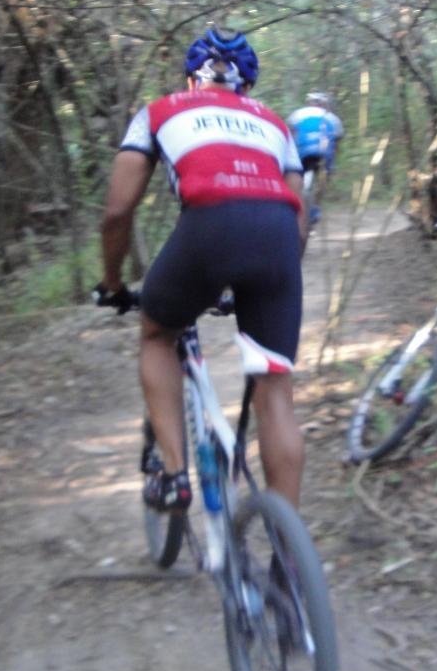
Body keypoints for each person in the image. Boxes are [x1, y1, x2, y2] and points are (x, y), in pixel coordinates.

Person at [94, 27, 310, 513]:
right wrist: (262, 280)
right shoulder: (276, 125)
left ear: (192, 81)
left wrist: (112, 283)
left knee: (157, 334)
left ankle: (174, 476)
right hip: (276, 239)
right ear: (247, 87)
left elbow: (116, 211)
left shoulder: (160, 110)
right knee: (275, 389)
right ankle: (289, 564)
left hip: (208, 226)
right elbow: (299, 220)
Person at [286, 91, 344, 224]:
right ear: (324, 104)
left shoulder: (296, 114)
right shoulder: (332, 118)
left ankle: (293, 206)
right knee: (323, 178)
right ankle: (316, 208)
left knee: (294, 178)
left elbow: (289, 136)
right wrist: (332, 164)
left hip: (301, 153)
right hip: (323, 154)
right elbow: (336, 143)